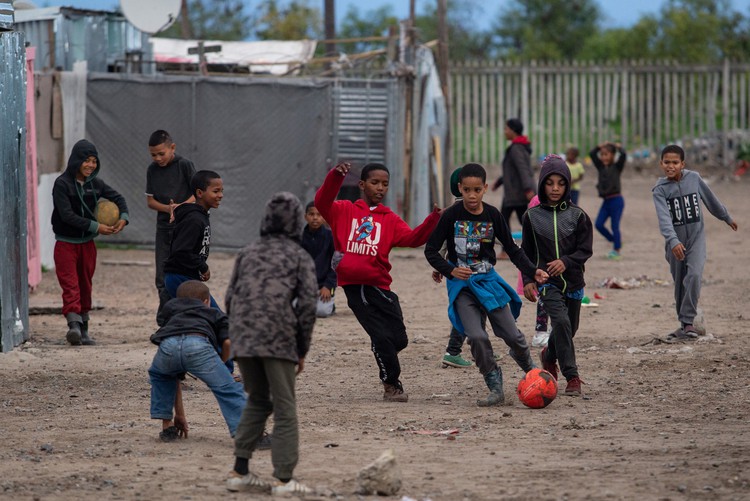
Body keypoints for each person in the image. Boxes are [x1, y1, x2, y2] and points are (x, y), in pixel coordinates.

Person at [315, 161, 442, 402]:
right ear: (362, 185)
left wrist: (434, 218)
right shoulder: (343, 210)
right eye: (374, 183)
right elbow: (322, 201)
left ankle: (382, 351)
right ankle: (391, 384)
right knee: (381, 337)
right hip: (356, 287)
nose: (380, 188)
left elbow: (414, 239)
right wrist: (335, 177)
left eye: (384, 184)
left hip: (380, 286)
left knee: (399, 339)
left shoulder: (390, 219)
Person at [425, 163, 548, 407]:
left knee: (512, 335)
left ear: (485, 189)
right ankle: (494, 382)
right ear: (460, 188)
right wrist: (449, 270)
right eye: (467, 190)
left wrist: (532, 271)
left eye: (477, 190)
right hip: (462, 288)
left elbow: (512, 249)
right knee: (476, 336)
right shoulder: (450, 215)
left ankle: (531, 371)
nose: (472, 195)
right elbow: (431, 250)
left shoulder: (493, 215)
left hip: (489, 283)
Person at [225, 192, 317, 496]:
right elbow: (306, 305)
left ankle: (240, 472)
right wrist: (301, 349)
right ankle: (284, 479)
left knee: (258, 400)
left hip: (243, 338)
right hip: (278, 340)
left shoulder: (247, 252)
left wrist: (237, 336)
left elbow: (230, 297)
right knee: (285, 408)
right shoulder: (299, 256)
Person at [521, 155, 593, 397]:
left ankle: (548, 355)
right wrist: (529, 279)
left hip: (574, 282)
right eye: (549, 183)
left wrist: (567, 262)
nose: (554, 188)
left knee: (569, 329)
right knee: (560, 323)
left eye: (560, 183)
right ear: (542, 184)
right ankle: (572, 375)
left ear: (567, 185)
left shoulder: (578, 216)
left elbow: (585, 250)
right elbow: (526, 253)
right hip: (547, 282)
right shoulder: (531, 217)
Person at [652, 144, 738, 339]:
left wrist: (726, 217)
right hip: (675, 244)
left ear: (683, 164)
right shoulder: (660, 190)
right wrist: (673, 241)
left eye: (675, 162)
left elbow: (711, 200)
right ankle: (685, 326)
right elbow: (664, 219)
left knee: (694, 275)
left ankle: (688, 320)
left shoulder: (694, 179)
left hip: (696, 239)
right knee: (680, 283)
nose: (670, 166)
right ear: (661, 164)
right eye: (667, 162)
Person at [52, 139, 129, 346]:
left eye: (94, 161)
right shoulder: (62, 184)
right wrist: (97, 227)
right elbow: (67, 215)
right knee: (70, 284)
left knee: (85, 284)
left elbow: (119, 198)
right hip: (66, 244)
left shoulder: (96, 184)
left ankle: (84, 329)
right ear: (77, 161)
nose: (90, 165)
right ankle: (73, 326)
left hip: (87, 244)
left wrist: (123, 217)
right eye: (86, 160)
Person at [148, 280, 246, 441]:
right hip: (198, 344)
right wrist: (221, 362)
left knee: (162, 377)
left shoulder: (171, 310)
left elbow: (175, 377)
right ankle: (247, 433)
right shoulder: (213, 313)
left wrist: (180, 414)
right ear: (206, 301)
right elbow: (228, 342)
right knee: (227, 387)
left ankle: (167, 427)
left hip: (168, 345)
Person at [145, 130, 196, 319]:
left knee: (183, 270)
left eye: (161, 154)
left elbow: (198, 194)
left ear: (172, 148)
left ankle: (184, 313)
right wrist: (168, 209)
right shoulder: (152, 170)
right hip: (163, 228)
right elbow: (150, 202)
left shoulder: (184, 166)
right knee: (162, 273)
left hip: (185, 228)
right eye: (153, 155)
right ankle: (165, 315)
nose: (158, 158)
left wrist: (181, 207)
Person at [163, 170, 223, 309]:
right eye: (216, 191)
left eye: (221, 191)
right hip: (180, 278)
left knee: (195, 317)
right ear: (200, 193)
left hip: (188, 276)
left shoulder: (201, 216)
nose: (220, 195)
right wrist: (203, 266)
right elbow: (181, 251)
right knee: (214, 316)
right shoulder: (194, 219)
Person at [491, 118, 536, 232]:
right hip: (514, 193)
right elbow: (511, 172)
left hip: (517, 193)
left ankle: (538, 243)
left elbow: (523, 169)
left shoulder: (516, 149)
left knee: (505, 220)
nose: (504, 131)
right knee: (508, 220)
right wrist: (499, 182)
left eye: (506, 128)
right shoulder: (517, 147)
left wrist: (527, 189)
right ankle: (508, 248)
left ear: (513, 130)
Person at [590, 142, 626, 260]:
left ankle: (616, 250)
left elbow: (623, 155)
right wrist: (599, 146)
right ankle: (615, 240)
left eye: (607, 154)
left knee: (614, 226)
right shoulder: (600, 167)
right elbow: (592, 154)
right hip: (606, 202)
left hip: (616, 200)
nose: (604, 157)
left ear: (612, 155)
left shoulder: (617, 167)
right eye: (602, 154)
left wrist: (617, 147)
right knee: (598, 224)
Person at [301, 202, 337, 318]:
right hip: (305, 286)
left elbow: (336, 264)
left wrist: (328, 285)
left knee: (322, 312)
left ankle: (330, 305)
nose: (315, 218)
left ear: (324, 217)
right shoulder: (298, 238)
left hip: (324, 286)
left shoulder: (331, 237)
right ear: (305, 216)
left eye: (319, 214)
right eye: (311, 214)